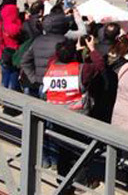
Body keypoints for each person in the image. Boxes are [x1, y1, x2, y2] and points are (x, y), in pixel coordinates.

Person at [44, 36, 105, 192]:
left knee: (63, 150)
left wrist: (71, 50)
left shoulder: (52, 67)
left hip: (56, 115)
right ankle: (80, 183)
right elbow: (99, 66)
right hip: (78, 116)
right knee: (80, 151)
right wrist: (91, 49)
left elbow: (55, 58)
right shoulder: (82, 69)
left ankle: (62, 180)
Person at [0, 0, 23, 91]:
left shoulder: (0, 22)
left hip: (3, 52)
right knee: (13, 79)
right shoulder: (14, 24)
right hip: (14, 54)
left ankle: (3, 99)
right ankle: (10, 102)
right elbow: (16, 32)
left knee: (5, 78)